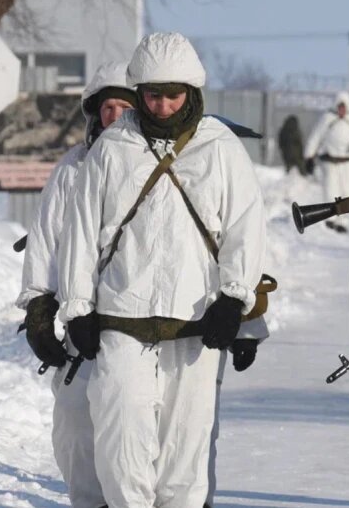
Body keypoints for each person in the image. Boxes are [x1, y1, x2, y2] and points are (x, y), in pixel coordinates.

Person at [58, 32, 267, 507]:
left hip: (196, 328)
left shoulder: (221, 148)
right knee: (120, 448)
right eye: (153, 94)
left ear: (191, 92)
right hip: (120, 322)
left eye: (174, 95)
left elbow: (244, 228)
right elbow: (81, 232)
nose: (164, 105)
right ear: (139, 92)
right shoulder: (113, 148)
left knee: (185, 460)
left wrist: (235, 300)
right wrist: (76, 308)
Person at [18, 61, 135, 508]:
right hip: (81, 320)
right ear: (95, 112)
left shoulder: (154, 169)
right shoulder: (72, 168)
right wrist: (39, 307)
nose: (115, 114)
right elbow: (47, 239)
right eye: (108, 106)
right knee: (73, 414)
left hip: (138, 318)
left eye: (125, 104)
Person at [304, 91, 349, 232]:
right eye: (339, 106)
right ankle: (330, 218)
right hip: (329, 161)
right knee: (330, 189)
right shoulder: (327, 118)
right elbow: (315, 137)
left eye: (344, 106)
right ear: (336, 105)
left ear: (348, 107)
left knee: (346, 192)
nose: (342, 109)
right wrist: (309, 156)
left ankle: (343, 222)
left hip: (347, 163)